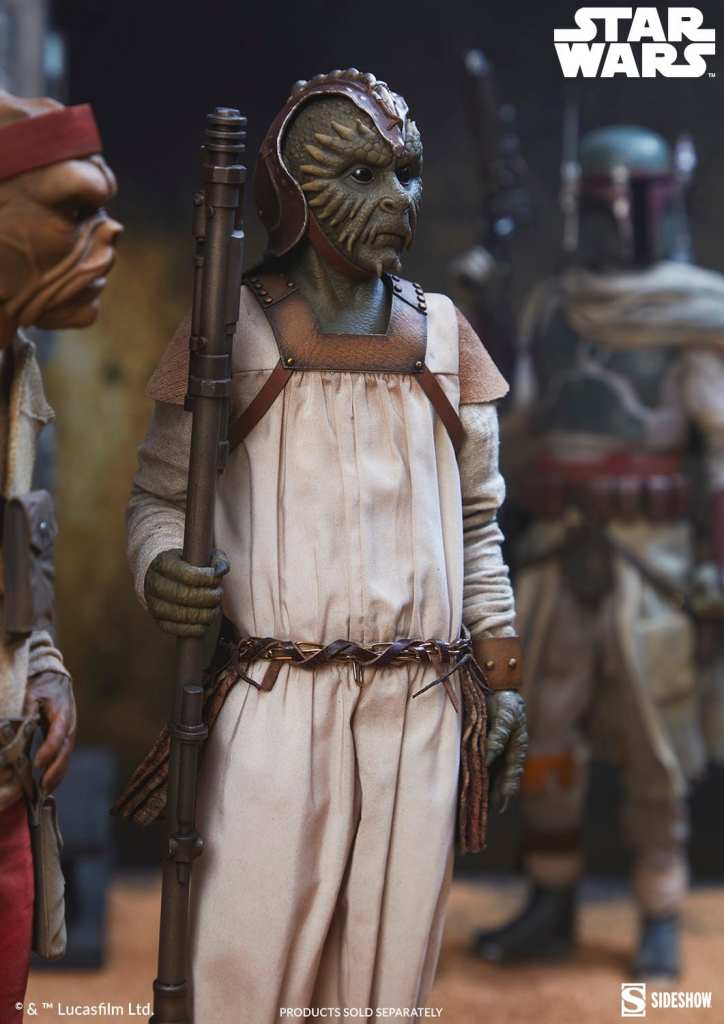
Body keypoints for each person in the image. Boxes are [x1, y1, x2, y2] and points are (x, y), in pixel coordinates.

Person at [116, 69, 527, 1021]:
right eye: (362, 176)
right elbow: (161, 500)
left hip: (422, 709)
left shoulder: (443, 338)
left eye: (407, 174)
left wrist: (501, 675)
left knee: (386, 982)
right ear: (292, 194)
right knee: (246, 971)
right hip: (275, 705)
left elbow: (478, 523)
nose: (397, 201)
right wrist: (161, 567)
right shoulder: (232, 334)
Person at [473, 124, 724, 980]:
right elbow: (514, 422)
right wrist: (491, 327)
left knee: (657, 743)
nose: (608, 223)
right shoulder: (555, 306)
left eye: (623, 205)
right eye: (594, 205)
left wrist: (717, 568)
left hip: (653, 561)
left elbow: (720, 454)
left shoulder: (695, 314)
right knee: (544, 733)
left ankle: (659, 906)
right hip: (556, 553)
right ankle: (551, 896)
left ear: (659, 206)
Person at [0, 91, 121, 1021]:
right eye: (75, 210)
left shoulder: (16, 366)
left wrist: (42, 664)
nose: (108, 234)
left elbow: (18, 554)